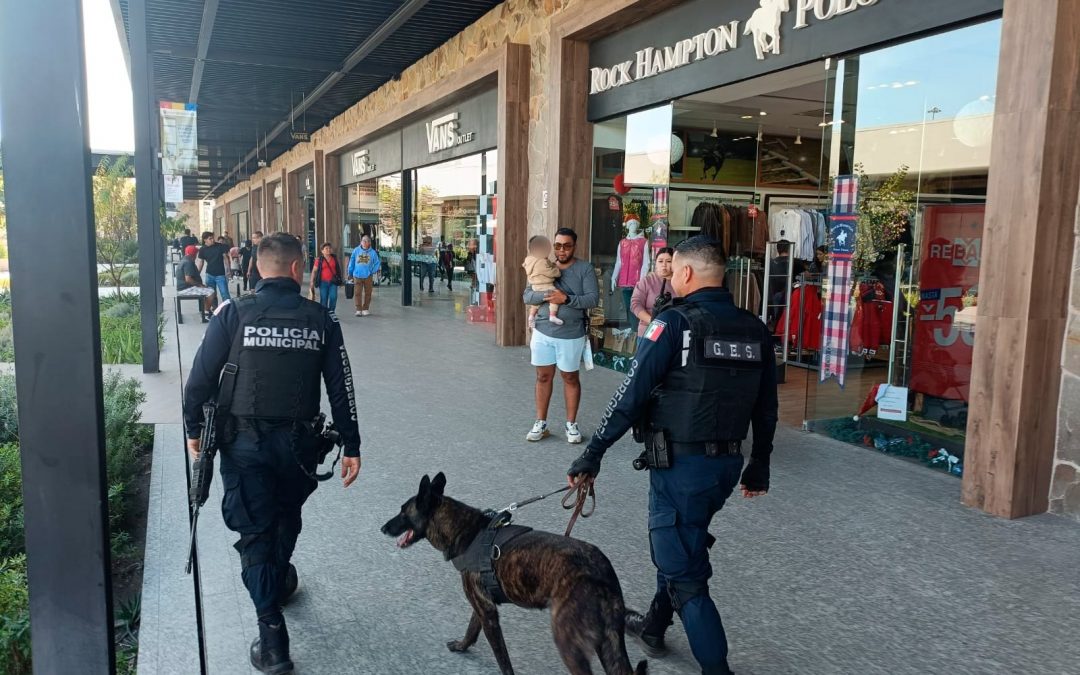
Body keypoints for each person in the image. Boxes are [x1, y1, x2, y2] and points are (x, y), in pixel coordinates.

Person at [567, 236, 778, 675]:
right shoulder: (754, 327)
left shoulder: (674, 323)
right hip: (725, 468)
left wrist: (593, 454)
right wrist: (760, 463)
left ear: (685, 273)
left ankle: (717, 669)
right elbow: (766, 404)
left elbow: (631, 392)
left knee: (687, 579)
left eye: (673, 270)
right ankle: (654, 626)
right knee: (681, 541)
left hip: (682, 468)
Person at [182, 232, 362, 673]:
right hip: (301, 448)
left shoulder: (233, 313)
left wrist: (192, 430)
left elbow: (199, 381)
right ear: (299, 270)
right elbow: (342, 387)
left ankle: (272, 632)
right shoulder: (321, 318)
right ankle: (275, 582)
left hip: (243, 445)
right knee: (285, 514)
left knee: (255, 528)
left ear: (257, 268)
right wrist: (352, 444)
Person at [522, 227, 599, 444]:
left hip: (571, 333)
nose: (561, 250)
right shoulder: (542, 262)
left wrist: (566, 299)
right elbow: (527, 295)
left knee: (570, 377)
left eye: (567, 245)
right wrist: (546, 295)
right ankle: (541, 422)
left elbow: (592, 299)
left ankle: (571, 424)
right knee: (543, 376)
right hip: (543, 330)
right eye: (557, 245)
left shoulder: (585, 268)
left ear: (574, 246)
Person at [630, 246, 675, 342]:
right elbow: (635, 305)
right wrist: (654, 322)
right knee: (649, 355)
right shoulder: (647, 281)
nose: (664, 265)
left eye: (668, 261)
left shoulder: (679, 282)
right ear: (656, 263)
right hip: (650, 328)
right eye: (660, 261)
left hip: (673, 331)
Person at [522, 235, 564, 330]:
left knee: (536, 303)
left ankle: (532, 316)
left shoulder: (529, 260)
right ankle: (552, 315)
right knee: (554, 296)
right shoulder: (541, 262)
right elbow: (551, 273)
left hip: (535, 286)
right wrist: (556, 270)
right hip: (545, 285)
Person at [175, 244, 215, 322]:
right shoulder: (188, 263)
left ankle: (206, 310)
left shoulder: (184, 260)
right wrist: (200, 285)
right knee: (211, 292)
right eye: (196, 254)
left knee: (208, 289)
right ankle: (206, 314)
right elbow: (188, 279)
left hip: (184, 287)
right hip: (186, 288)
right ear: (193, 254)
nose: (196, 255)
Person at [348, 235, 381, 317]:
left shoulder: (373, 253)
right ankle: (358, 309)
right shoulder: (356, 251)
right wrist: (350, 272)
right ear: (361, 242)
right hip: (357, 275)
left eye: (366, 241)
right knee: (357, 293)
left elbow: (377, 263)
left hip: (368, 276)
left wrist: (372, 271)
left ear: (369, 243)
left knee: (368, 293)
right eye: (363, 240)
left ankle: (365, 308)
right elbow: (351, 262)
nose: (365, 242)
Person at [197, 231, 232, 302]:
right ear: (205, 240)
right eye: (210, 238)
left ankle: (228, 310)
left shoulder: (220, 246)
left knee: (225, 294)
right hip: (209, 275)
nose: (213, 240)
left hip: (221, 275)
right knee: (211, 294)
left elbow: (225, 258)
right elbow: (201, 262)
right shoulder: (202, 249)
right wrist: (197, 274)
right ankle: (215, 309)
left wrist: (228, 270)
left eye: (213, 238)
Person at [309, 243, 343, 313]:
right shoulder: (319, 260)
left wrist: (340, 280)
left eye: (329, 248)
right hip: (323, 282)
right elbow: (314, 271)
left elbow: (338, 270)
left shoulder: (334, 259)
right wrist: (312, 281)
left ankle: (331, 312)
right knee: (324, 298)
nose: (328, 250)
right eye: (326, 249)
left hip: (333, 282)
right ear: (322, 251)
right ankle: (324, 313)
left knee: (333, 297)